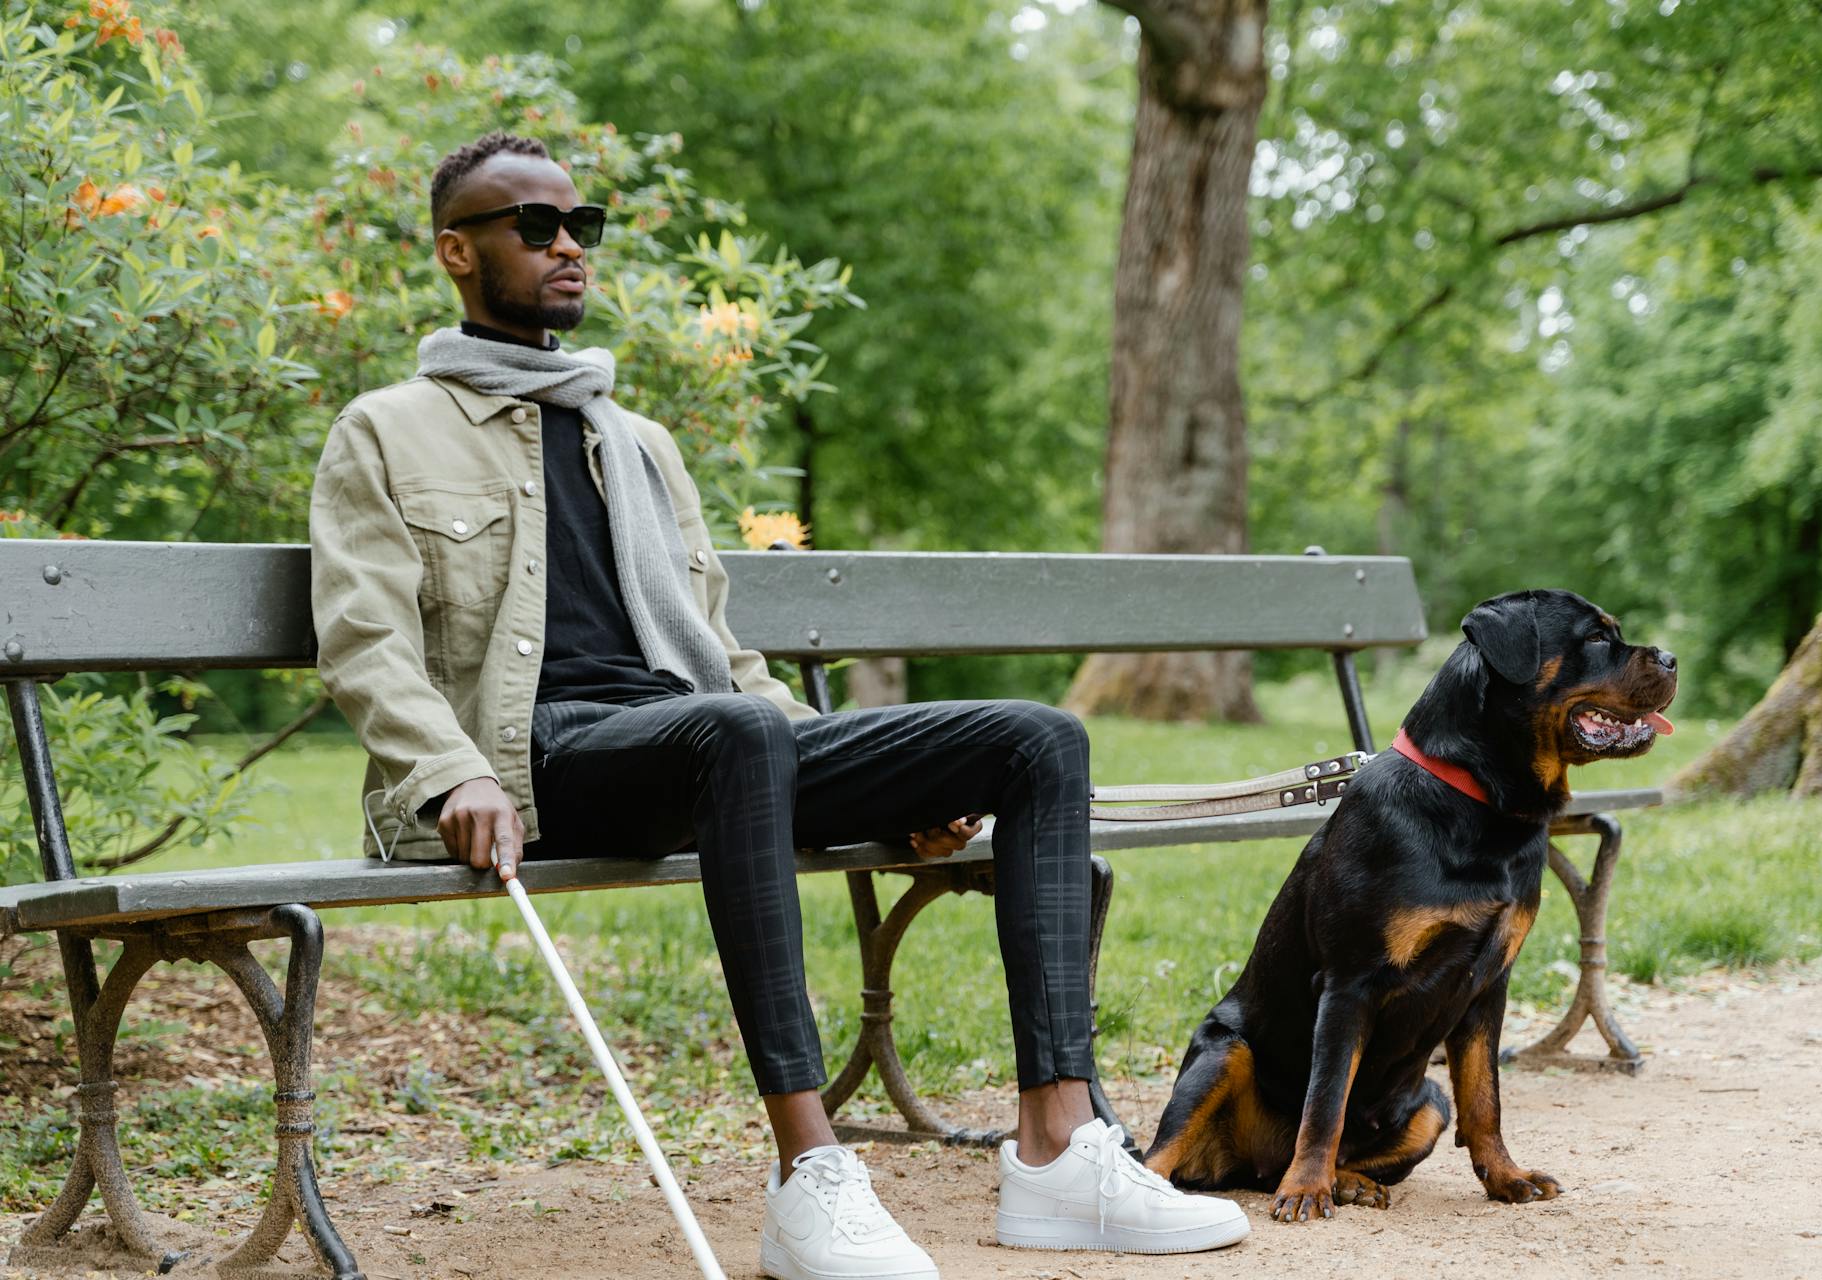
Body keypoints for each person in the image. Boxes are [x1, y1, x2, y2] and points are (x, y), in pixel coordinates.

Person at [308, 130, 1249, 1280]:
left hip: (704, 736)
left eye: (582, 225)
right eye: (535, 226)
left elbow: (715, 647)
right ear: (458, 250)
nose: (569, 246)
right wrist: (448, 770)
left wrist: (868, 780)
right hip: (531, 758)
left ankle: (1057, 1148)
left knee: (1034, 736)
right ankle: (810, 1173)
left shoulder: (633, 439)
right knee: (742, 731)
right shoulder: (386, 429)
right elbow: (363, 640)